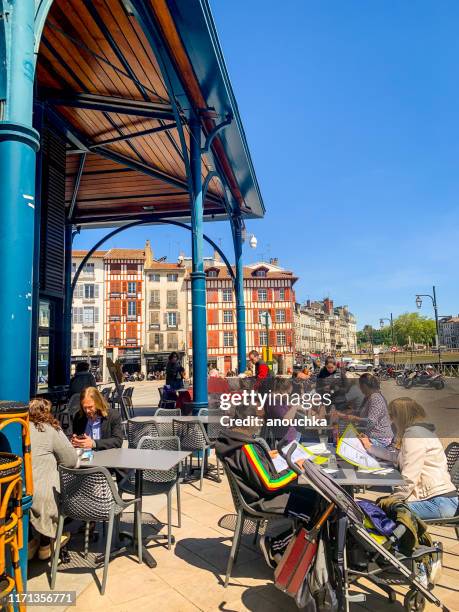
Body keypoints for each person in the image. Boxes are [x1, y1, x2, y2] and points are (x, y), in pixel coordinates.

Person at [215, 404, 323, 567]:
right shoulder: (246, 447)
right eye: (259, 419)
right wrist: (295, 469)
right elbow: (270, 483)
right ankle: (275, 545)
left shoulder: (233, 440)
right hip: (261, 500)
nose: (261, 423)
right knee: (317, 509)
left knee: (315, 496)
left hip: (256, 493)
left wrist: (266, 456)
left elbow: (253, 468)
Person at [361, 398, 458, 520]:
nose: (391, 420)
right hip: (442, 500)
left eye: (391, 416)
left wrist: (391, 500)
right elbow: (398, 457)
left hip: (437, 503)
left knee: (379, 513)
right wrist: (371, 447)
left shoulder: (414, 435)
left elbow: (409, 478)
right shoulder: (421, 431)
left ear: (400, 417)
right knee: (379, 509)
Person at [28, 399, 78, 560]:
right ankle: (46, 544)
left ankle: (32, 543)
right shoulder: (50, 429)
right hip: (44, 496)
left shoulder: (20, 429)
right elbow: (70, 461)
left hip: (19, 491)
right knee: (51, 482)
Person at [336, 373, 393, 447]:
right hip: (370, 434)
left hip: (381, 438)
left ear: (364, 386)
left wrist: (355, 419)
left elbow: (371, 422)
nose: (360, 389)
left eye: (360, 386)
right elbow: (364, 412)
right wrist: (350, 413)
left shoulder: (375, 398)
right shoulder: (369, 397)